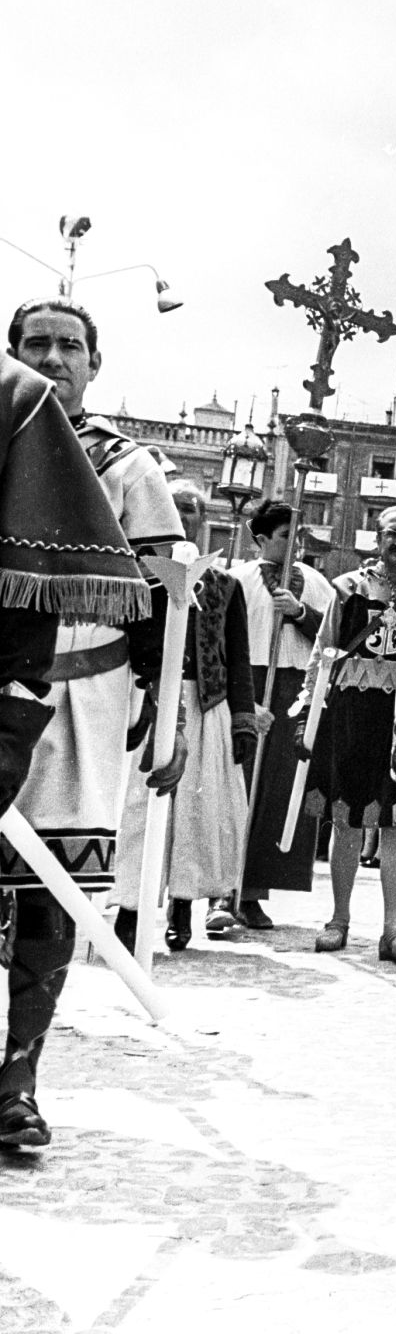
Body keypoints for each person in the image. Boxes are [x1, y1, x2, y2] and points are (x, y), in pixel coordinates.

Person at [1, 308, 184, 1148]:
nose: (53, 358)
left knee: (53, 889)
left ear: (96, 363)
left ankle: (19, 1078)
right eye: (35, 344)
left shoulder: (124, 465)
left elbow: (164, 598)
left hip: (84, 697)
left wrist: (163, 703)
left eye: (68, 345)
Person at [112, 482, 257, 951]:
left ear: (202, 519)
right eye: (173, 508)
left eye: (191, 508)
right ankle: (132, 908)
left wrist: (242, 719)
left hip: (204, 703)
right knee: (139, 805)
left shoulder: (225, 584)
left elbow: (239, 656)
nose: (183, 515)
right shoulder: (137, 577)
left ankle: (183, 905)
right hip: (146, 700)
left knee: (196, 811)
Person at [303, 504, 396, 962]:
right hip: (352, 713)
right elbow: (324, 650)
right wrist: (307, 707)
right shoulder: (348, 588)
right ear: (377, 538)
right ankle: (339, 919)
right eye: (391, 533)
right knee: (346, 817)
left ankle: (393, 929)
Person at [224, 498, 333, 934]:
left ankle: (252, 894)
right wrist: (244, 699)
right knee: (238, 784)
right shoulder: (234, 580)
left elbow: (333, 639)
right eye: (287, 536)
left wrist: (301, 613)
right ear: (262, 538)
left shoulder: (318, 583)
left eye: (300, 536)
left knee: (276, 792)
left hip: (294, 689)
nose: (295, 544)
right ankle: (222, 890)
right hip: (248, 685)